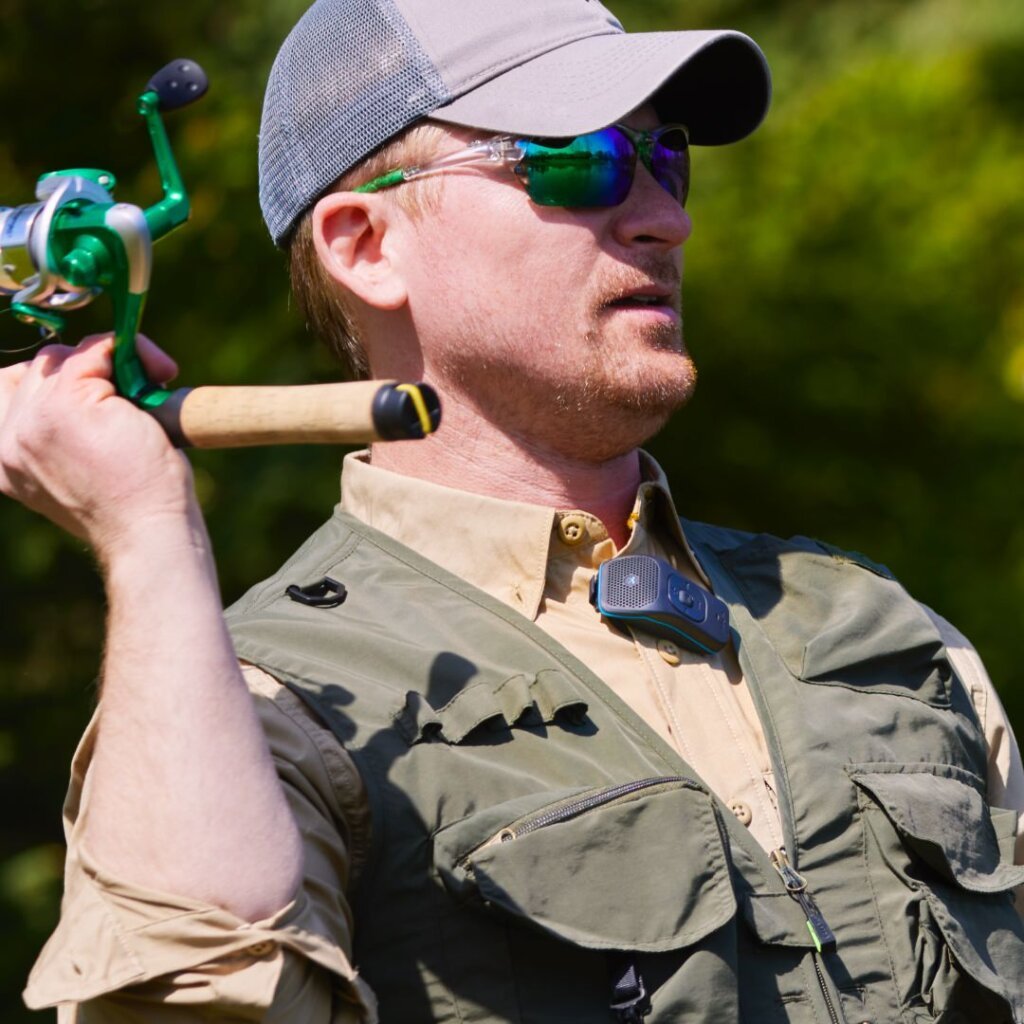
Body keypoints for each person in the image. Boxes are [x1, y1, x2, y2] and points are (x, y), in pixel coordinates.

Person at [3, 0, 1023, 1020]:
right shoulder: (264, 704)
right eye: (579, 160)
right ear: (364, 243)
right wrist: (143, 537)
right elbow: (190, 1002)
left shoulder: (881, 633)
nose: (666, 216)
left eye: (664, 159)